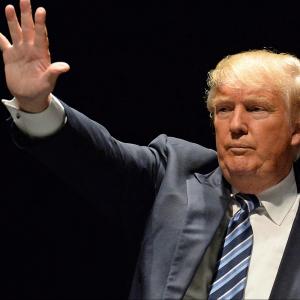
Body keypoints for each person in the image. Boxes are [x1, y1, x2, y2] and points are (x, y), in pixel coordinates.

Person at [1, 0, 300, 299]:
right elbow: (96, 157)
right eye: (223, 110)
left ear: (296, 129)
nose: (235, 124)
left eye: (256, 109)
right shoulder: (174, 175)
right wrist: (35, 105)